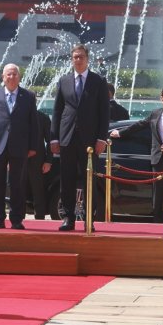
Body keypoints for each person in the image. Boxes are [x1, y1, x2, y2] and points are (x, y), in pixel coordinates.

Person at [109, 87, 163, 223]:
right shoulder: (155, 114)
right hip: (158, 158)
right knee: (157, 192)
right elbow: (139, 125)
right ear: (162, 98)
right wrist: (120, 133)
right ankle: (157, 220)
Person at [50, 44, 109, 231]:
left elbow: (104, 113)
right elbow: (57, 110)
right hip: (67, 138)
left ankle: (88, 219)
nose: (78, 60)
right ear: (71, 59)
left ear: (87, 58)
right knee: (66, 179)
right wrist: (54, 138)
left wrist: (101, 139)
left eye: (81, 57)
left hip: (90, 141)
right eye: (75, 57)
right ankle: (68, 218)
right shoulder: (64, 81)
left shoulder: (98, 81)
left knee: (89, 180)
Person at [0, 64, 38, 230]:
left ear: (19, 77)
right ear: (3, 77)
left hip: (20, 146)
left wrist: (33, 145)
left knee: (18, 184)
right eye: (8, 75)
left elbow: (34, 123)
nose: (11, 77)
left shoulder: (28, 96)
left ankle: (17, 219)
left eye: (14, 74)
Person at [22, 110, 53, 220]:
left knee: (38, 191)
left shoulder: (43, 118)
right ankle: (18, 218)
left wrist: (48, 161)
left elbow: (50, 140)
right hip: (19, 159)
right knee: (18, 189)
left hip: (38, 161)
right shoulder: (17, 115)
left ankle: (39, 218)